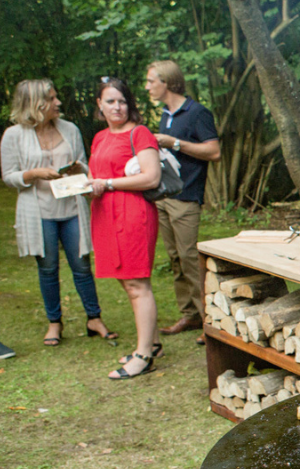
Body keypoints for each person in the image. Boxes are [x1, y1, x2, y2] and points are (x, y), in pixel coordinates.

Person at [2, 79, 117, 346]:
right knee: (48, 268)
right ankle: (55, 323)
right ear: (36, 104)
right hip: (38, 210)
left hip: (71, 207)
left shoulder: (69, 128)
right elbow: (9, 177)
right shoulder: (14, 135)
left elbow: (84, 165)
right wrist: (33, 173)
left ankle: (94, 318)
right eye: (52, 99)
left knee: (82, 265)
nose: (58, 103)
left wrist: (78, 170)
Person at [87, 77, 162, 380]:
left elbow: (151, 177)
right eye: (110, 101)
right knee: (125, 281)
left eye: (122, 101)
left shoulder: (139, 133)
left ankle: (143, 355)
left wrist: (106, 183)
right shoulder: (99, 137)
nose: (117, 107)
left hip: (133, 214)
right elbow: (97, 175)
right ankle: (154, 343)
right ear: (99, 105)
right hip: (104, 214)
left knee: (136, 285)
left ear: (130, 103)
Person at [144, 60, 220, 346]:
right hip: (165, 196)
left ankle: (209, 321)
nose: (148, 86)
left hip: (187, 197)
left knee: (190, 260)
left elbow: (213, 152)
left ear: (168, 82)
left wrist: (173, 142)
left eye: (152, 81)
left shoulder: (197, 112)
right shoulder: (166, 113)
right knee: (175, 258)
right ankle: (188, 315)